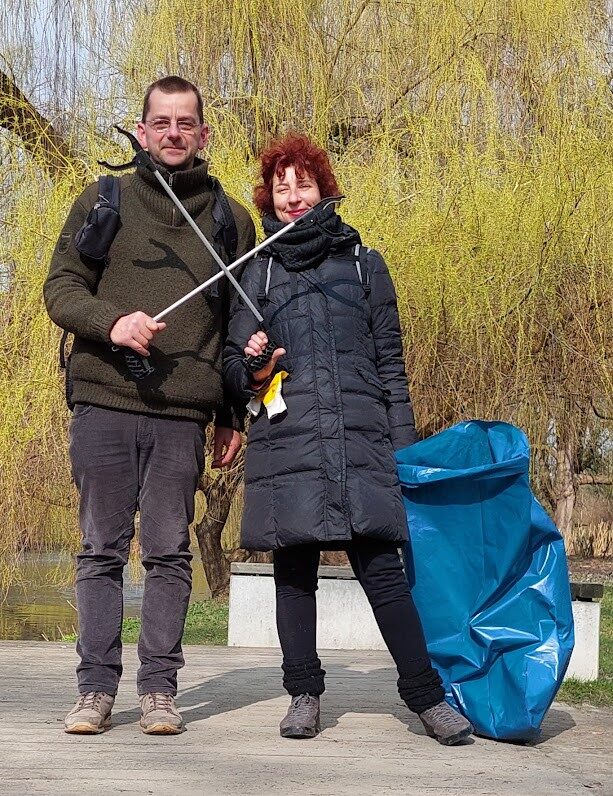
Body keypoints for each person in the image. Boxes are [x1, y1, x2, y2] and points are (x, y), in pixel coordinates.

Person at [223, 133, 473, 745]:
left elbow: (391, 362)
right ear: (269, 198)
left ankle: (424, 696)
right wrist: (251, 361)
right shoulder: (256, 271)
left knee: (383, 572)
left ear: (323, 188)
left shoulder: (366, 264)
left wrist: (404, 448)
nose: (291, 197)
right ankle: (303, 694)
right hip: (289, 442)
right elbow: (233, 370)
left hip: (361, 440)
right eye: (280, 188)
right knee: (295, 573)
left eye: (301, 184)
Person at [44, 76, 255, 735]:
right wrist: (111, 324)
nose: (171, 133)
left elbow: (236, 326)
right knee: (101, 548)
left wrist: (231, 413)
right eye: (159, 122)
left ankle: (160, 691)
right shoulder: (102, 199)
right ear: (141, 131)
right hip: (105, 400)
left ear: (202, 134)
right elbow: (60, 288)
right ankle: (95, 692)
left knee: (167, 551)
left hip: (180, 416)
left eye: (184, 123)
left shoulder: (230, 218)